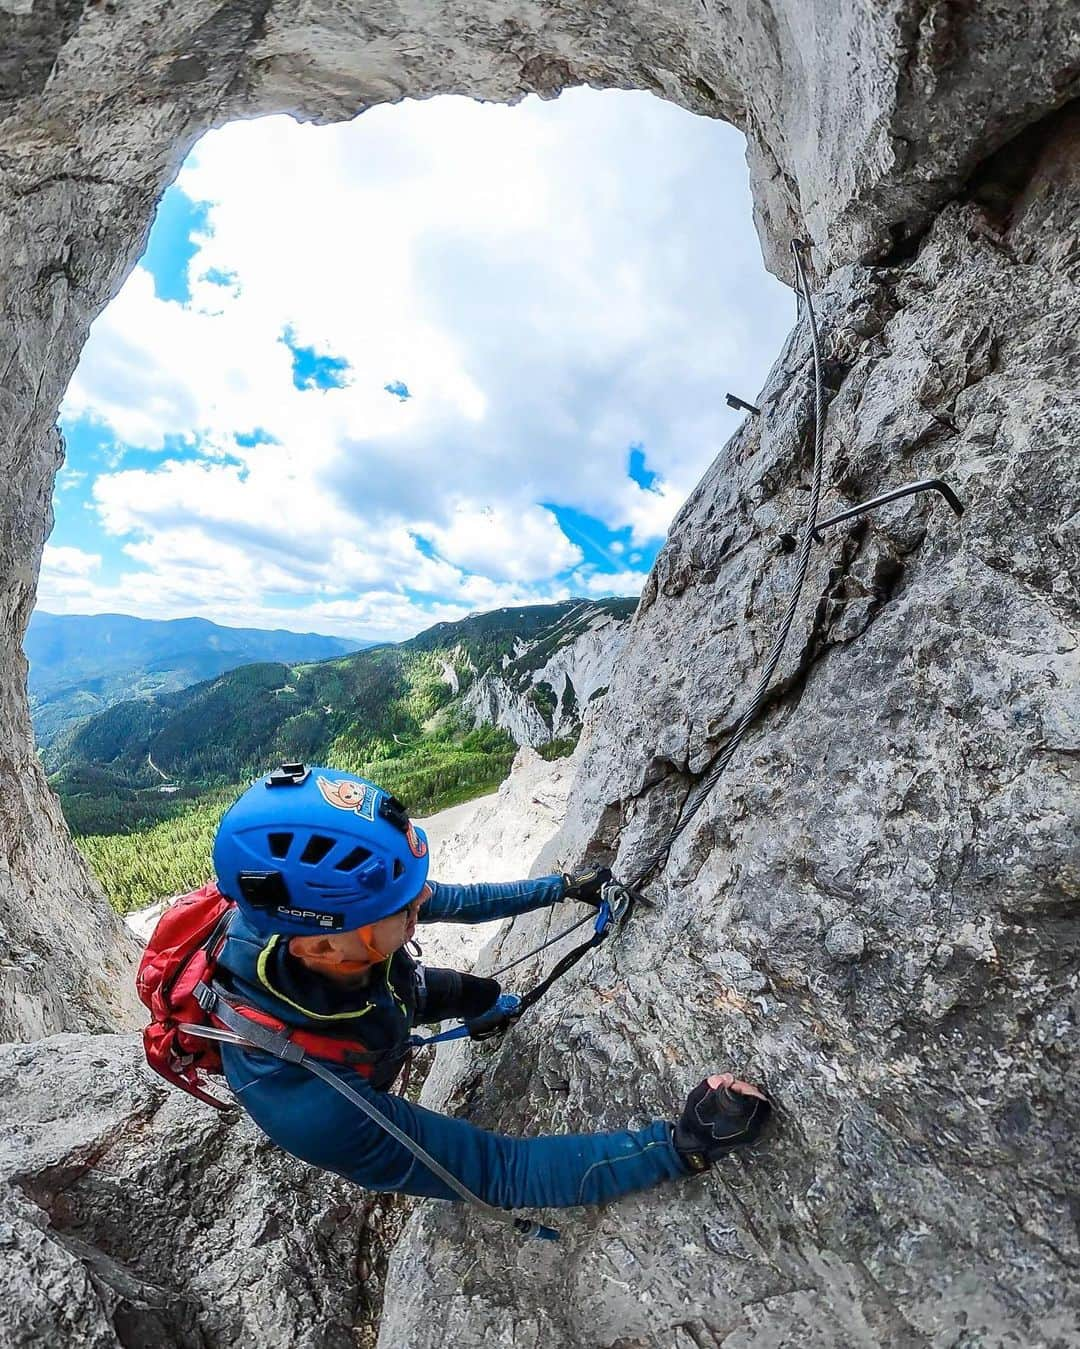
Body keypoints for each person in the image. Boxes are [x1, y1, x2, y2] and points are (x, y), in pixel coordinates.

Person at [208, 762, 771, 1211]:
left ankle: (489, 1013)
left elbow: (463, 901)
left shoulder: (331, 913)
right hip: (341, 1058)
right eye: (405, 905)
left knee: (471, 992)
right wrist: (681, 1147)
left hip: (384, 997)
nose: (423, 901)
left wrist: (566, 887)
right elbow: (501, 1171)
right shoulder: (310, 1108)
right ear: (323, 947)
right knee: (447, 998)